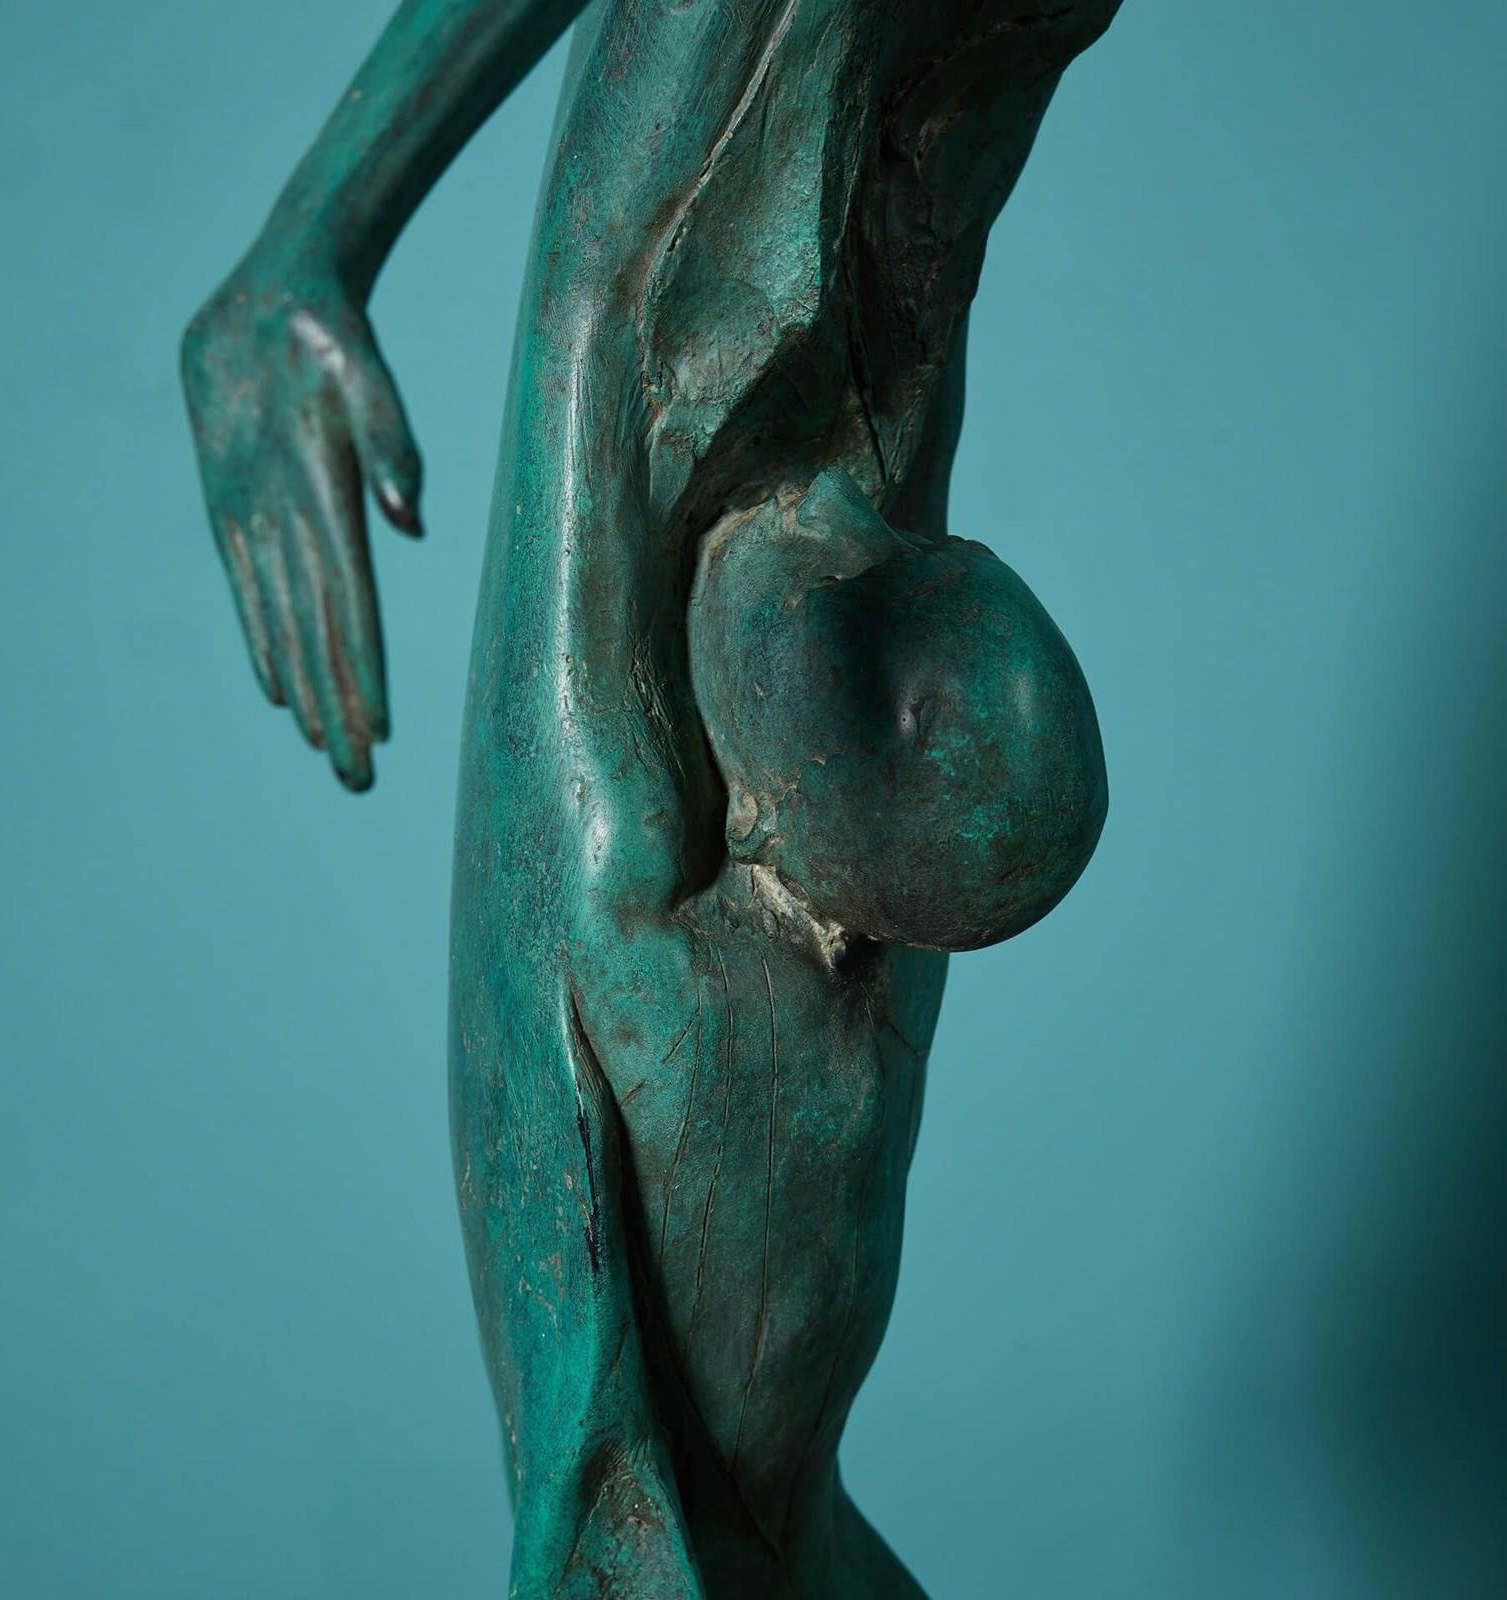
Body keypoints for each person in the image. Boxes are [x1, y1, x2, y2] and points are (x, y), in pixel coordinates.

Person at [181, 2, 1120, 1593]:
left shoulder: (638, 887)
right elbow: (864, 372)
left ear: (769, 828)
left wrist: (316, 233)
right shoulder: (878, 976)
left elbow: (603, 323)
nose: (838, 516)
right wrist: (314, 237)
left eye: (839, 596)